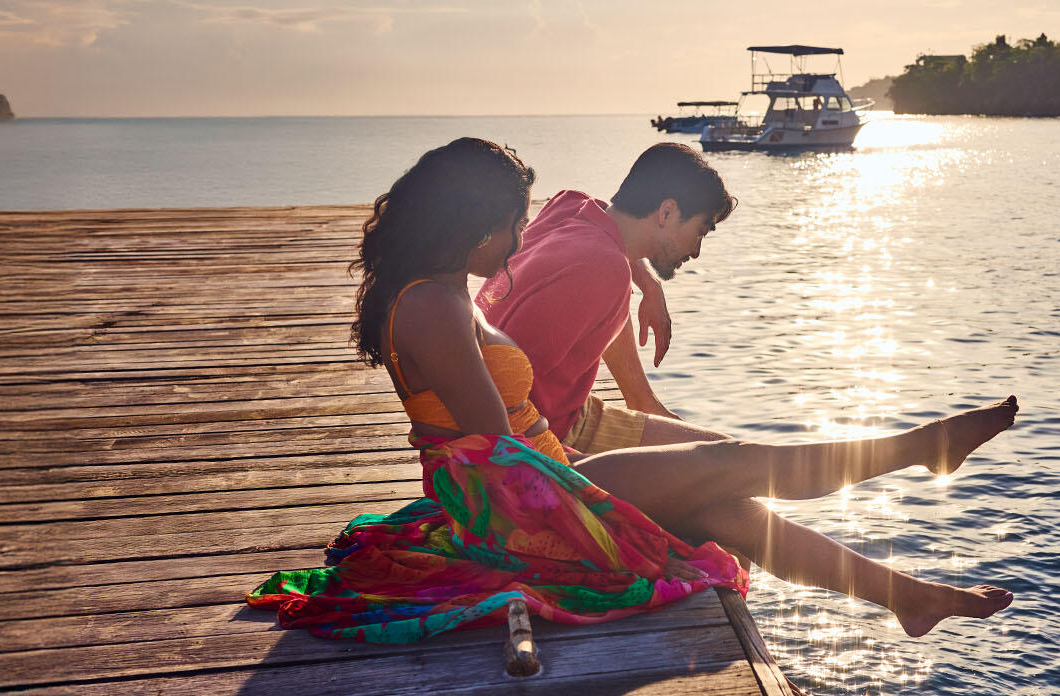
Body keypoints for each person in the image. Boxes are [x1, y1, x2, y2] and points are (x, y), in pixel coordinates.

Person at [249, 137, 1017, 643]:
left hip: (539, 476)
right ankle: (917, 450)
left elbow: (583, 216)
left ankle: (904, 594)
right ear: (472, 221)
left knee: (724, 506)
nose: (518, 243)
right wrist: (598, 497)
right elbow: (498, 453)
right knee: (728, 462)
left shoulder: (447, 287)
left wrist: (641, 280)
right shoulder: (430, 306)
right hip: (514, 503)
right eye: (511, 226)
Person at [475, 142, 738, 458]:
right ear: (667, 212)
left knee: (728, 454)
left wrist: (648, 283)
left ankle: (643, 402)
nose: (696, 251)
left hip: (562, 413)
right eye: (700, 232)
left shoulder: (568, 206)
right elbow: (505, 405)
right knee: (734, 462)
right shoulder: (603, 268)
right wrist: (582, 473)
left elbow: (604, 215)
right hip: (533, 442)